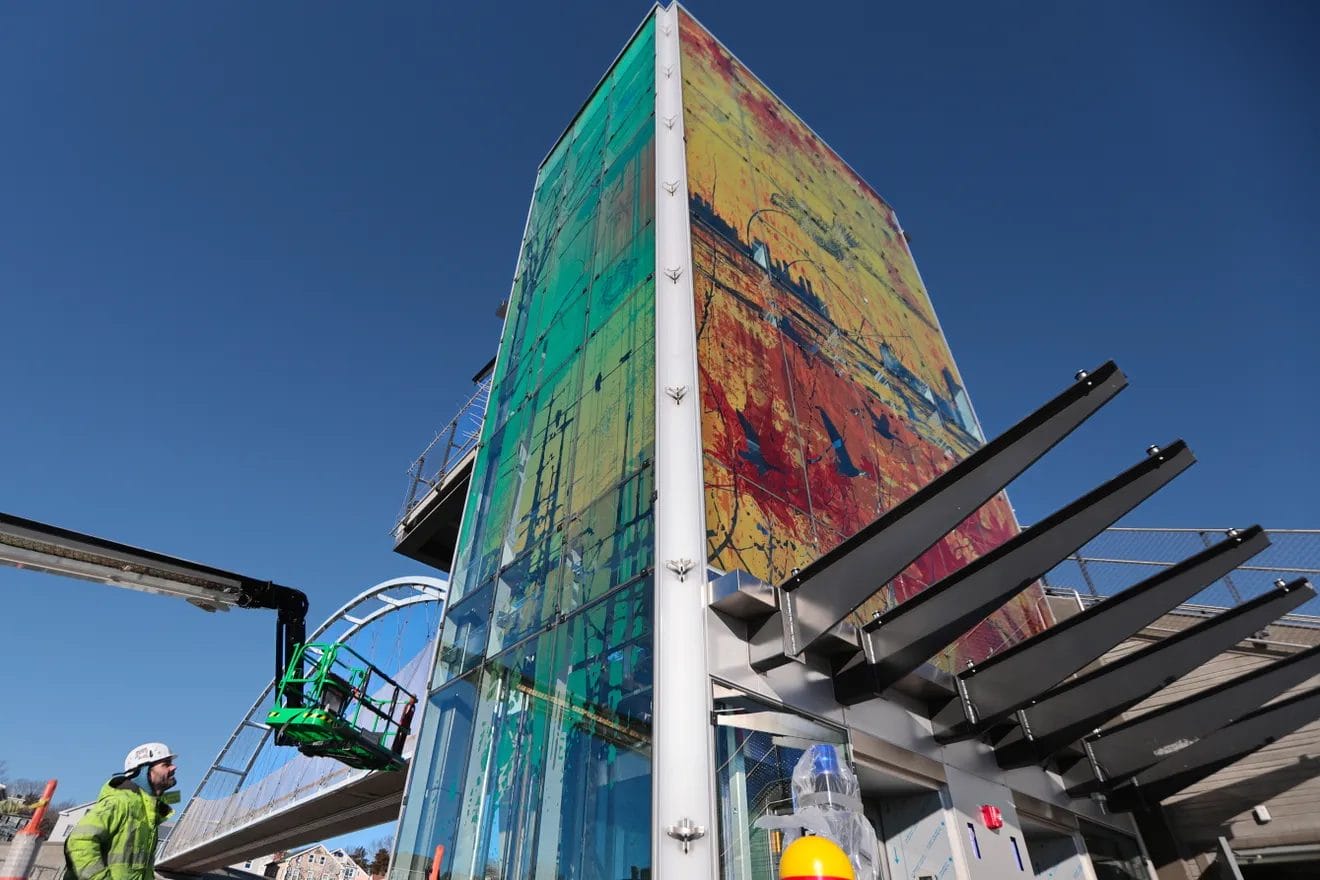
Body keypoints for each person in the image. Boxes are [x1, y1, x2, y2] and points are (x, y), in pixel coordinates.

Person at [64, 742, 180, 880]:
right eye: (165, 764)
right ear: (143, 771)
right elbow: (78, 842)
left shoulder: (147, 814)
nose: (174, 767)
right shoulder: (119, 802)